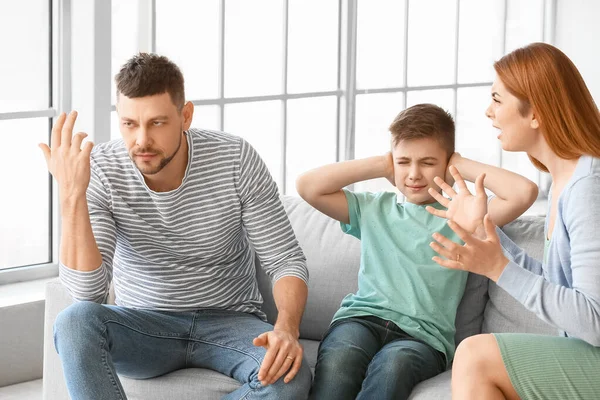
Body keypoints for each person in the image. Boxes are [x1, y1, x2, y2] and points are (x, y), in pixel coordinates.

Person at [39, 53, 312, 400]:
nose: (141, 140)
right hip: (144, 325)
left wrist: (286, 328)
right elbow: (88, 293)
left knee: (291, 376)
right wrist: (71, 196)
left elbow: (285, 260)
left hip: (230, 321)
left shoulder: (235, 159)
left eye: (156, 123)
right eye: (129, 124)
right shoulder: (103, 170)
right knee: (74, 321)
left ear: (185, 116)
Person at [296, 103, 538, 400]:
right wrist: (382, 163)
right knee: (340, 361)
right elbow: (307, 187)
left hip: (422, 339)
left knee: (393, 367)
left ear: (447, 164)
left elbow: (523, 192)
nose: (413, 174)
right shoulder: (374, 207)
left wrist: (459, 164)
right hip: (360, 319)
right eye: (403, 162)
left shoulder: (462, 216)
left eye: (427, 162)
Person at [427, 42, 600, 400]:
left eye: (497, 99)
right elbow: (559, 286)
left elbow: (593, 320)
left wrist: (499, 269)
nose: (488, 112)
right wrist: (485, 232)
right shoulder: (565, 180)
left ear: (535, 113)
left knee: (476, 356)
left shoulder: (588, 187)